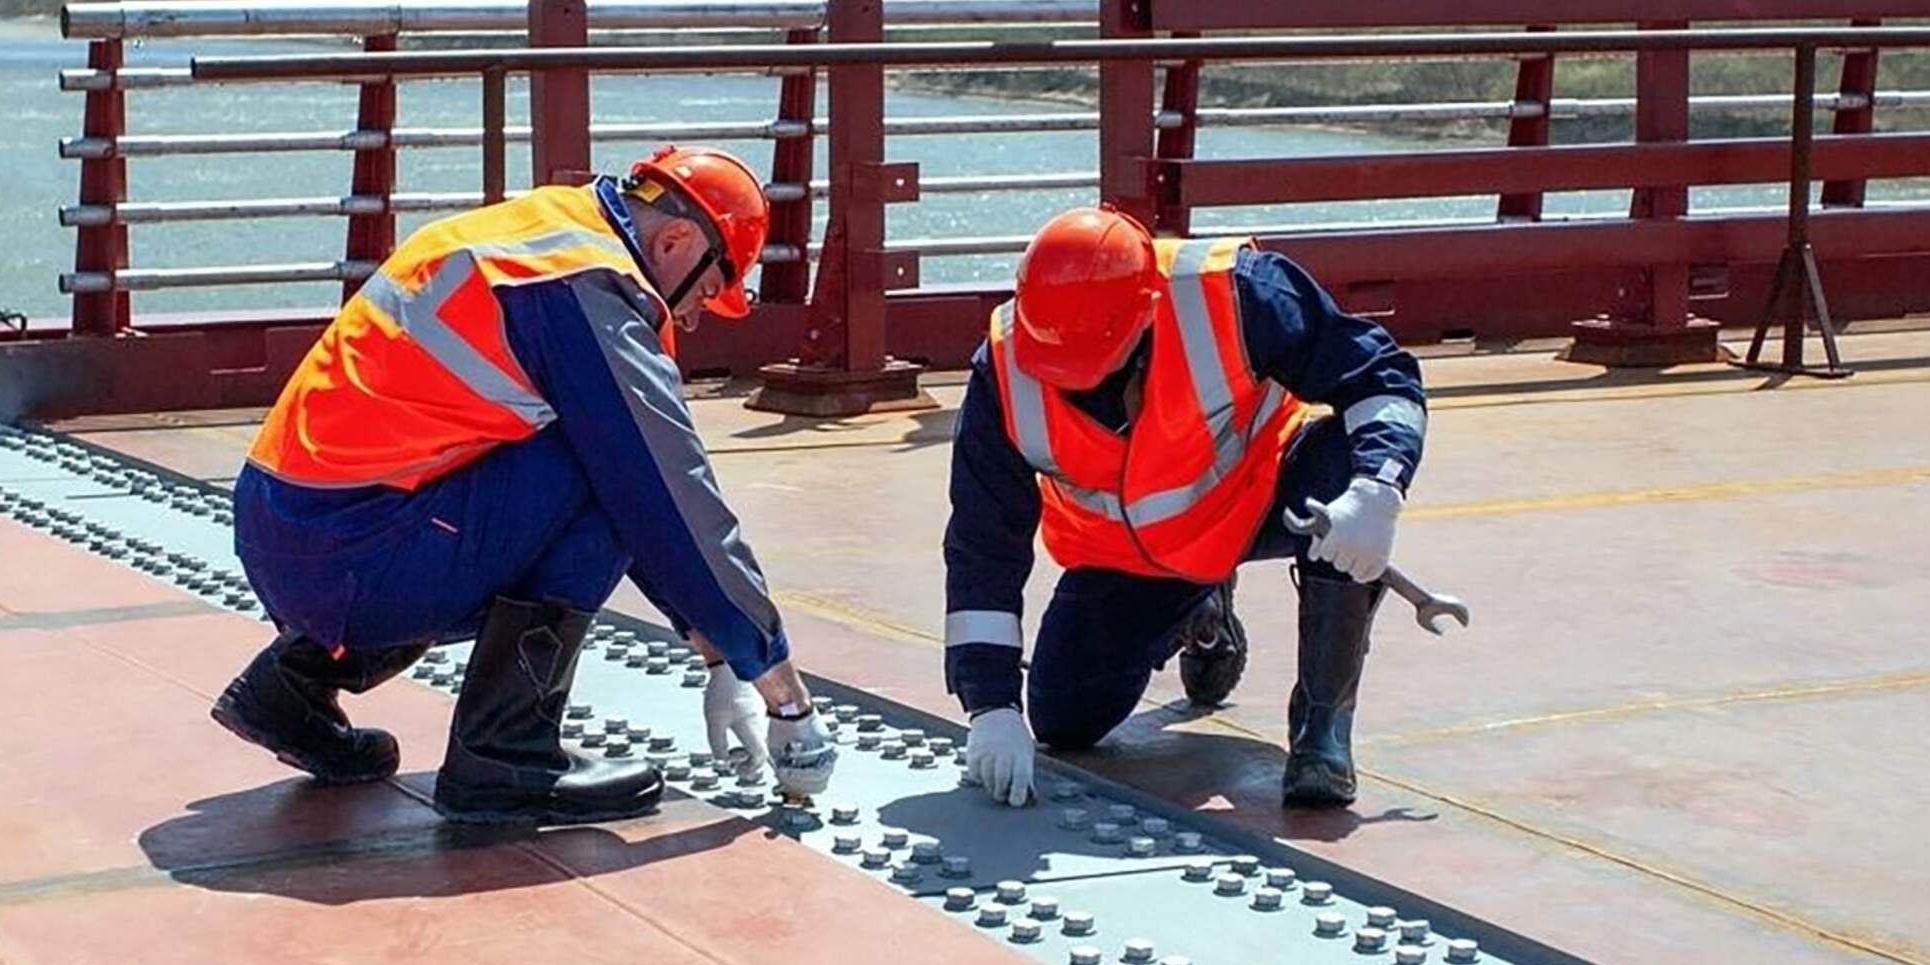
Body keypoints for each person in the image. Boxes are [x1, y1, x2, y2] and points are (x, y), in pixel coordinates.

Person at [222, 147, 837, 822]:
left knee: (578, 451)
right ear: (675, 240)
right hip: (358, 559)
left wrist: (720, 655)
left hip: (291, 531)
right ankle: (506, 755)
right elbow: (669, 498)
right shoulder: (585, 287)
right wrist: (780, 689)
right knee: (606, 460)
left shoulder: (537, 234)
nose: (691, 316)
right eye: (704, 291)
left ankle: (292, 687)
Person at [941, 205, 1429, 810]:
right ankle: (1201, 609)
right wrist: (990, 703)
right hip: (1134, 556)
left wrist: (1378, 490)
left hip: (1264, 498)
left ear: (1146, 311)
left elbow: (1381, 377)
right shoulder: (1005, 366)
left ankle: (1322, 731)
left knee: (1340, 465)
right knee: (1064, 716)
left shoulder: (1239, 293)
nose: (1076, 385)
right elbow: (983, 541)